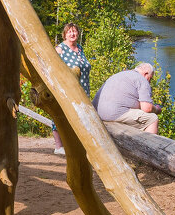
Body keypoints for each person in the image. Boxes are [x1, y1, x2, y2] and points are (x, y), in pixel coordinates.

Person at [52, 22, 91, 155]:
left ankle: (77, 143)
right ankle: (59, 146)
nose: (72, 34)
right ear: (65, 34)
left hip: (84, 87)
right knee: (62, 113)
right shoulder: (60, 49)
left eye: (74, 31)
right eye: (69, 32)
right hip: (67, 88)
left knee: (81, 115)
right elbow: (53, 67)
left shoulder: (80, 48)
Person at [91, 62, 162, 134]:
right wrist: (156, 109)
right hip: (112, 115)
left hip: (96, 113)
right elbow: (147, 108)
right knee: (152, 118)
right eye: (150, 78)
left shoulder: (119, 74)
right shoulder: (142, 79)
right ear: (146, 73)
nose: (149, 81)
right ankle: (149, 144)